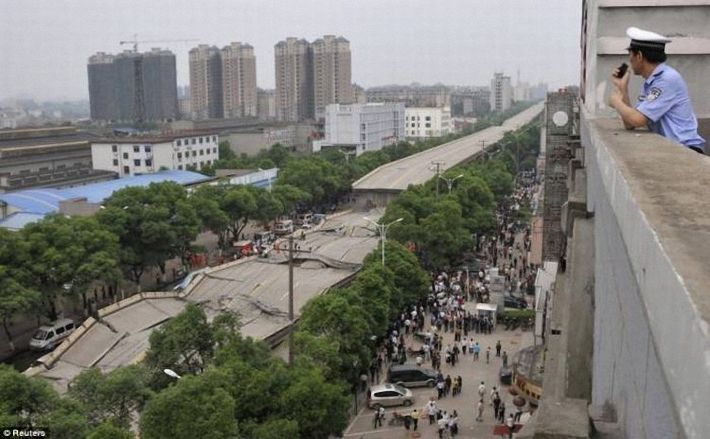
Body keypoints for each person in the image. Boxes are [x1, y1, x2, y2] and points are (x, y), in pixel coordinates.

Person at [608, 26, 706, 154]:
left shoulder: (666, 80)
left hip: (686, 151)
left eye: (630, 54)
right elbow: (630, 123)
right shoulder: (652, 82)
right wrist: (623, 88)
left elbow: (637, 120)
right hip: (674, 150)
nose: (629, 60)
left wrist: (616, 101)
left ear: (639, 56)